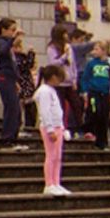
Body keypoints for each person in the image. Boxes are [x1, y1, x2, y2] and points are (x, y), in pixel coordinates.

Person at [36, 65, 71, 196]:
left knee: (57, 156)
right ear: (53, 77)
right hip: (50, 127)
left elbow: (57, 111)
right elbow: (45, 111)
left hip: (57, 126)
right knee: (51, 156)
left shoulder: (51, 90)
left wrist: (62, 127)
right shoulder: (44, 91)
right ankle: (49, 183)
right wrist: (50, 129)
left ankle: (56, 182)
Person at [0, 18, 25, 151]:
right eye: (11, 30)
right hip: (4, 78)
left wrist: (17, 80)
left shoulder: (8, 44)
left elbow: (13, 64)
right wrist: (13, 39)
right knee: (11, 108)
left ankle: (14, 136)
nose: (13, 33)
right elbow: (2, 51)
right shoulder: (1, 41)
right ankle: (7, 138)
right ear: (3, 30)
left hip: (11, 79)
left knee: (16, 110)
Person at [80, 39, 110, 149]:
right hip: (94, 93)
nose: (94, 51)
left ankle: (103, 141)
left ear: (104, 51)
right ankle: (91, 132)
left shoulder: (109, 64)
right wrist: (85, 91)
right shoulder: (91, 64)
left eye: (97, 49)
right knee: (95, 112)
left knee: (104, 116)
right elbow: (85, 78)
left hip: (105, 93)